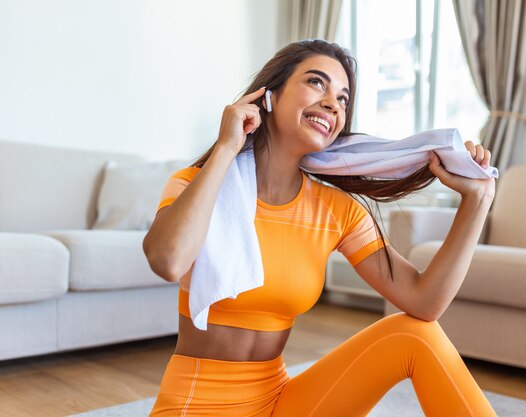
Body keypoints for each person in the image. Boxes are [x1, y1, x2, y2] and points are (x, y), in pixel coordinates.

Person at [143, 39, 497, 417]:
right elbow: (168, 260)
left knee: (414, 334)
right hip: (196, 402)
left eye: (343, 99)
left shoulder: (336, 211)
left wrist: (477, 201)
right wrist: (227, 148)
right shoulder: (197, 184)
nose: (333, 103)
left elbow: (424, 302)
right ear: (269, 96)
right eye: (317, 83)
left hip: (279, 403)